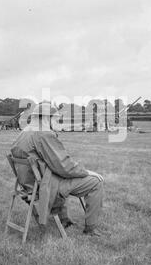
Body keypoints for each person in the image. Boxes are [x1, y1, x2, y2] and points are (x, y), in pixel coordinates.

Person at [10, 101, 104, 236]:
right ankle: (90, 229)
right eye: (55, 118)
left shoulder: (24, 132)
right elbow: (64, 166)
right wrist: (86, 172)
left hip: (29, 185)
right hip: (45, 186)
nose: (57, 121)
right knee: (96, 182)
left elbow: (54, 163)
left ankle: (65, 220)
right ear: (47, 118)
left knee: (59, 176)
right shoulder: (43, 134)